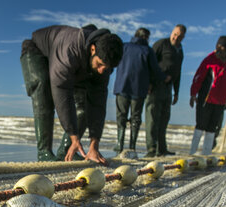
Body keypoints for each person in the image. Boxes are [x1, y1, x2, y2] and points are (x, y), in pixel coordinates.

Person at [20, 24, 123, 164]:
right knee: (43, 88)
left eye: (107, 68)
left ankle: (67, 150)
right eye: (99, 64)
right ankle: (44, 152)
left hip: (77, 67)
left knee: (83, 106)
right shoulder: (70, 50)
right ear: (93, 49)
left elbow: (97, 103)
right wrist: (74, 136)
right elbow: (61, 91)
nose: (101, 71)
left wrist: (94, 145)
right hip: (37, 51)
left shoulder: (103, 66)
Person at [112, 28, 169, 154]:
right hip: (138, 88)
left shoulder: (124, 46)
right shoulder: (147, 50)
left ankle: (119, 144)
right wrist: (165, 78)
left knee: (121, 116)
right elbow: (155, 69)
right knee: (135, 118)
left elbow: (114, 61)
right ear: (146, 37)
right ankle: (132, 146)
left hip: (122, 85)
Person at [189, 35, 226, 155]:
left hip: (220, 102)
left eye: (224, 46)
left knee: (212, 129)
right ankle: (192, 153)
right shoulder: (209, 59)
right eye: (219, 45)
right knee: (200, 126)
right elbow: (198, 77)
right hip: (206, 99)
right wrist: (193, 94)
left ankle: (206, 154)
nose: (221, 48)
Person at [144, 24, 186, 157]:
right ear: (172, 32)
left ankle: (162, 149)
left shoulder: (180, 50)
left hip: (168, 89)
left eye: (179, 36)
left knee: (164, 119)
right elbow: (149, 63)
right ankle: (151, 149)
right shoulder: (161, 44)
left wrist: (176, 92)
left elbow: (178, 72)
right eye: (175, 34)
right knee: (152, 118)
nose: (176, 37)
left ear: (183, 37)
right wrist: (149, 83)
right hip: (156, 86)